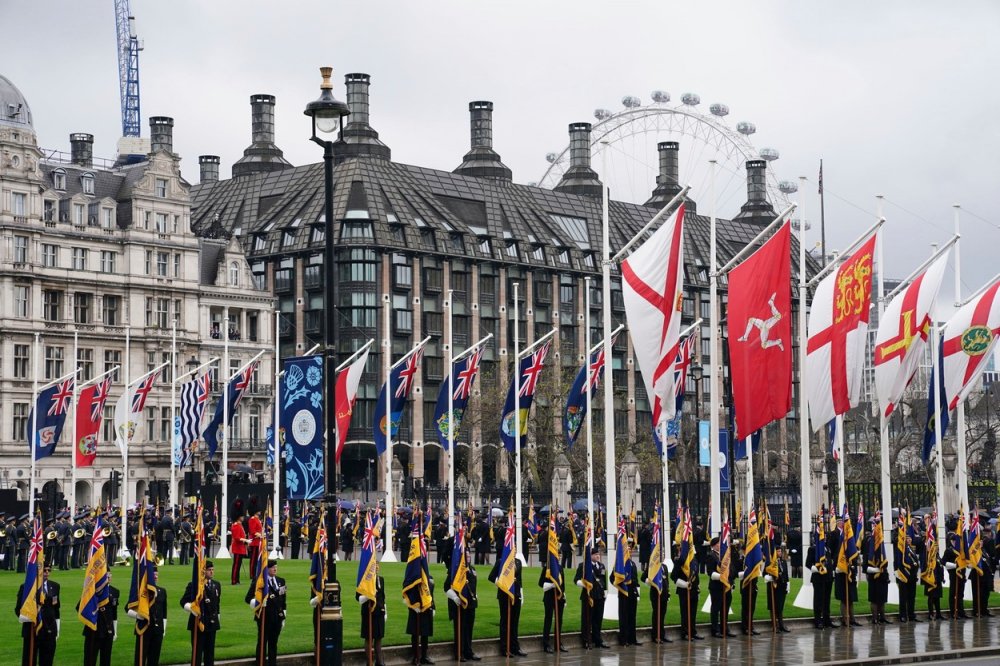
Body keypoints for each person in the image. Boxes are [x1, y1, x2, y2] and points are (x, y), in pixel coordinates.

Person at [17, 563, 60, 666]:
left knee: (47, 660)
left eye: (48, 570)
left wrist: (57, 628)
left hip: (49, 630)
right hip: (32, 630)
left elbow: (56, 609)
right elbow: (18, 609)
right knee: (29, 661)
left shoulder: (55, 586)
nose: (46, 573)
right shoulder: (26, 588)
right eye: (44, 570)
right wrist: (30, 618)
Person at [246, 559, 287, 666]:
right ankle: (260, 663)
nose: (275, 569)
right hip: (264, 617)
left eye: (276, 567)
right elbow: (248, 598)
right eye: (272, 567)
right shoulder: (259, 581)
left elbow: (283, 601)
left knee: (273, 643)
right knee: (262, 643)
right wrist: (257, 603)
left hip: (277, 617)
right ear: (266, 569)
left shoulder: (281, 581)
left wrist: (284, 617)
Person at [181, 560, 222, 666]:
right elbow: (183, 602)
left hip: (211, 623)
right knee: (197, 653)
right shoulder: (194, 586)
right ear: (203, 571)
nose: (212, 572)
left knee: (210, 653)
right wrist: (191, 609)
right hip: (198, 622)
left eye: (213, 570)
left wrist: (218, 619)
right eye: (209, 570)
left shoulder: (216, 585)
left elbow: (217, 605)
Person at [444, 550, 479, 662]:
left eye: (469, 556)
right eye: (466, 556)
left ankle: (469, 651)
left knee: (469, 629)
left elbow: (473, 585)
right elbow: (446, 587)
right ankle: (459, 652)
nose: (468, 558)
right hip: (459, 604)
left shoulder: (472, 569)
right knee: (460, 630)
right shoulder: (455, 570)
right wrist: (454, 597)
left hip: (471, 604)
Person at [129, 565, 166, 666]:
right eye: (153, 575)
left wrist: (163, 629)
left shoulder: (162, 591)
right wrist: (138, 616)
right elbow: (128, 609)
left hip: (157, 630)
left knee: (154, 659)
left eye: (157, 575)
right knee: (140, 659)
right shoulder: (142, 592)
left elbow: (164, 614)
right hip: (144, 629)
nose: (155, 577)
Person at [488, 553, 525, 657]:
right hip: (504, 595)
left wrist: (522, 594)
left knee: (515, 622)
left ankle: (515, 647)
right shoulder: (501, 561)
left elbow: (520, 580)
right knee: (505, 621)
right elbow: (491, 577)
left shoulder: (518, 562)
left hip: (516, 595)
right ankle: (504, 648)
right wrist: (501, 584)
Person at [574, 546, 608, 649]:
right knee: (587, 619)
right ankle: (586, 640)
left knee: (598, 619)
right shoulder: (584, 566)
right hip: (588, 595)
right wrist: (584, 584)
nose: (598, 556)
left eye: (598, 554)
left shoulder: (601, 566)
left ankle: (597, 640)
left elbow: (603, 581)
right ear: (590, 556)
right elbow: (576, 580)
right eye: (595, 554)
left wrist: (605, 592)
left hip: (599, 596)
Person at [357, 559, 387, 666]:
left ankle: (380, 662)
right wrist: (368, 595)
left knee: (378, 639)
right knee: (368, 638)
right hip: (368, 613)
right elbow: (358, 598)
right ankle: (369, 662)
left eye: (378, 566)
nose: (377, 568)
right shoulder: (364, 580)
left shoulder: (381, 580)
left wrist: (385, 610)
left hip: (379, 613)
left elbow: (383, 597)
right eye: (375, 566)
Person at [672, 541, 703, 641]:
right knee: (685, 613)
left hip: (694, 590)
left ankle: (693, 632)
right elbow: (673, 577)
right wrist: (685, 584)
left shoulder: (694, 560)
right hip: (684, 591)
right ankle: (685, 633)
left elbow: (696, 574)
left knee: (693, 613)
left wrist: (697, 585)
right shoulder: (679, 561)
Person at [707, 536, 735, 638]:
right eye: (719, 543)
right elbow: (710, 573)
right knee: (716, 608)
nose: (721, 545)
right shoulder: (711, 556)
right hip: (717, 587)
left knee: (725, 608)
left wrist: (731, 581)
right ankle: (715, 630)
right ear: (714, 545)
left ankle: (725, 628)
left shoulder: (726, 556)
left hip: (726, 586)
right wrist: (722, 577)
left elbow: (731, 570)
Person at [806, 529, 834, 629]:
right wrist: (818, 569)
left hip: (828, 578)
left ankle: (827, 619)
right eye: (822, 536)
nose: (824, 538)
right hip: (818, 578)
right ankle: (818, 620)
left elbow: (830, 562)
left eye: (825, 536)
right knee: (818, 600)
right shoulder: (813, 549)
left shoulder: (827, 548)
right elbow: (808, 564)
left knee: (827, 600)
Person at [406, 573, 435, 665]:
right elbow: (406, 593)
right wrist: (413, 606)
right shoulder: (411, 577)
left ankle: (424, 656)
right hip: (416, 610)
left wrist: (433, 607)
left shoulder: (429, 577)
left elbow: (431, 594)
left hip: (427, 609)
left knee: (425, 633)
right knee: (415, 634)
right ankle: (415, 656)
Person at [539, 558, 567, 653]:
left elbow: (563, 583)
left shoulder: (559, 567)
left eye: (559, 555)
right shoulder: (547, 567)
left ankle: (558, 643)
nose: (558, 556)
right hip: (549, 597)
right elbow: (540, 583)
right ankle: (546, 644)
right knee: (548, 619)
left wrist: (564, 595)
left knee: (559, 621)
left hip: (559, 598)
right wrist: (551, 585)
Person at [643, 554, 670, 643]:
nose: (662, 556)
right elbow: (643, 578)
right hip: (656, 594)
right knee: (657, 615)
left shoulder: (664, 567)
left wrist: (668, 594)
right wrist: (651, 582)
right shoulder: (652, 566)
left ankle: (662, 635)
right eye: (660, 554)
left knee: (662, 615)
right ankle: (656, 636)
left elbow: (667, 581)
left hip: (664, 594)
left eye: (663, 555)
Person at [765, 545, 791, 633]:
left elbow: (786, 574)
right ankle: (774, 626)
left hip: (782, 587)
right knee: (774, 607)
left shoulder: (783, 561)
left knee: (780, 607)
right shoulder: (770, 562)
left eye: (780, 551)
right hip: (774, 587)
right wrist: (771, 578)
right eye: (777, 551)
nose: (779, 553)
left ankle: (781, 625)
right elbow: (765, 573)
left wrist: (788, 585)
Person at [944, 534, 967, 619]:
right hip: (954, 574)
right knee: (953, 593)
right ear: (951, 541)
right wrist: (954, 566)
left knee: (961, 594)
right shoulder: (949, 551)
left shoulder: (962, 551)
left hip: (961, 574)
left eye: (957, 541)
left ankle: (961, 611)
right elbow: (943, 562)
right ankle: (953, 612)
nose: (955, 542)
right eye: (953, 541)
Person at [230, 515, 248, 585]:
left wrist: (245, 540)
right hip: (237, 548)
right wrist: (245, 540)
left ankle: (237, 580)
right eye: (242, 516)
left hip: (240, 548)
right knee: (236, 565)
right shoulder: (236, 525)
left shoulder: (240, 525)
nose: (243, 517)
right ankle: (234, 580)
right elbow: (237, 537)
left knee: (238, 565)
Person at [247, 511, 264, 576]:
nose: (259, 511)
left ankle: (256, 573)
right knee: (253, 560)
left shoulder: (257, 519)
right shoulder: (252, 519)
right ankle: (252, 574)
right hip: (254, 542)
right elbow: (252, 531)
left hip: (258, 542)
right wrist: (260, 535)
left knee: (257, 559)